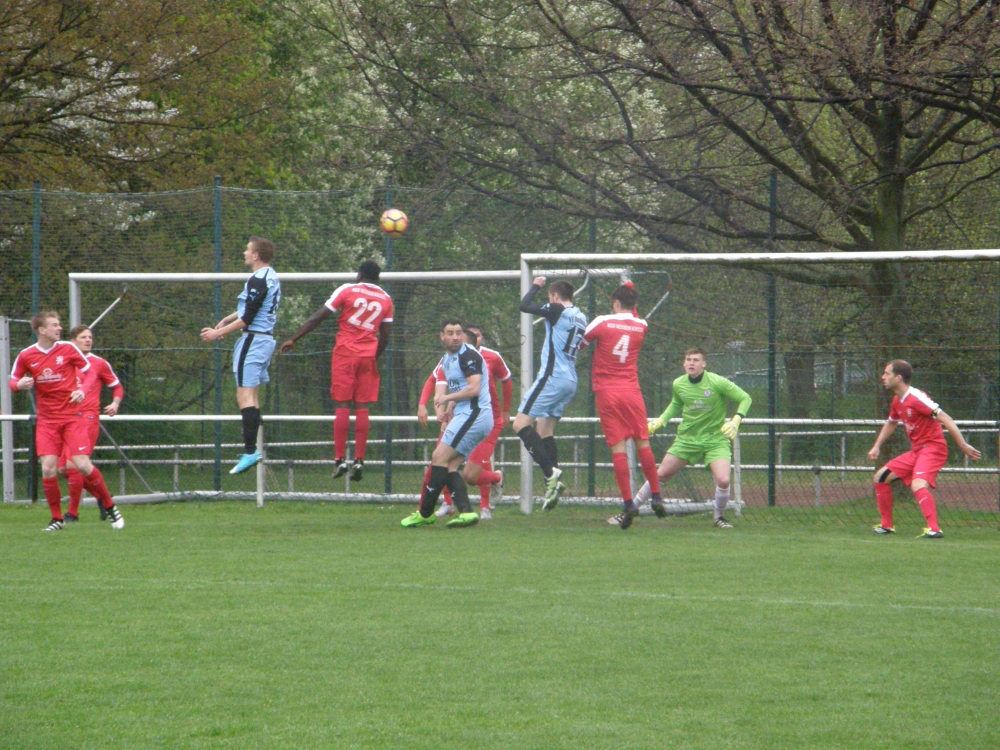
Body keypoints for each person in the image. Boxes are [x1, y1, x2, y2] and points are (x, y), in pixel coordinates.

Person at [8, 311, 125, 531]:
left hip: (73, 417)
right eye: (54, 325)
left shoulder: (68, 349)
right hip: (47, 421)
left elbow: (90, 373)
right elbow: (12, 381)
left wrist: (82, 390)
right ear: (42, 330)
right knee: (49, 469)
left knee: (80, 464)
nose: (59, 328)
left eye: (59, 324)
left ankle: (110, 506)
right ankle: (57, 519)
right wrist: (18, 385)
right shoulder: (26, 355)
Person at [279, 261, 392, 481]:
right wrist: (373, 356)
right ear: (378, 278)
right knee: (362, 407)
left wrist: (294, 338)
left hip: (345, 354)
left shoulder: (347, 290)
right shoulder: (386, 299)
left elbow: (318, 317)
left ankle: (339, 459)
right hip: (367, 356)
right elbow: (386, 335)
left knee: (342, 405)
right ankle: (359, 460)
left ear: (360, 274)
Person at [632, 348, 752, 529]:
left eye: (696, 360)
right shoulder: (678, 384)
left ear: (703, 364)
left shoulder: (717, 382)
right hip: (687, 439)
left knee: (723, 480)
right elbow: (676, 403)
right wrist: (661, 421)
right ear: (684, 363)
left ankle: (718, 517)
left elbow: (745, 398)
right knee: (661, 474)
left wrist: (736, 421)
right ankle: (630, 509)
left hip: (715, 440)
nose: (691, 363)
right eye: (688, 359)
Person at [580, 283, 664, 529]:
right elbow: (632, 316)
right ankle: (656, 495)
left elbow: (579, 344)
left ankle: (628, 503)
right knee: (642, 442)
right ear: (634, 304)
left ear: (615, 303)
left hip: (607, 392)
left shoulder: (602, 322)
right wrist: (629, 288)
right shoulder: (642, 326)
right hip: (632, 391)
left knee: (618, 449)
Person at [868, 359, 980, 538]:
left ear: (898, 378)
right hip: (917, 451)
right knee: (880, 477)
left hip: (933, 448)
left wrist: (963, 445)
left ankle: (934, 529)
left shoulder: (917, 398)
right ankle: (886, 526)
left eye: (887, 373)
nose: (883, 377)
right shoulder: (897, 401)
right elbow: (891, 422)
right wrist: (877, 446)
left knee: (918, 484)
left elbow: (946, 418)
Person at [401, 320, 493, 528]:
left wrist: (447, 398)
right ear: (442, 336)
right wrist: (451, 406)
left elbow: (474, 389)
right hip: (468, 414)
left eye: (458, 333)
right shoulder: (447, 359)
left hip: (475, 414)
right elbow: (459, 387)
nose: (455, 337)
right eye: (450, 333)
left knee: (438, 457)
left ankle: (425, 513)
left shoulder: (469, 356)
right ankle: (467, 513)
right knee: (450, 465)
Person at [200, 236, 281, 475]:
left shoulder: (258, 279)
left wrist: (217, 333)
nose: (244, 253)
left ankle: (250, 451)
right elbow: (252, 308)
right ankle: (252, 450)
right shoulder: (271, 276)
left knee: (244, 396)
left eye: (247, 250)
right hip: (264, 340)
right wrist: (227, 319)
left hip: (253, 340)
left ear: (256, 255)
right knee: (252, 396)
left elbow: (248, 318)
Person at [513, 277, 587, 510]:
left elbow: (524, 305)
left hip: (553, 377)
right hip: (570, 379)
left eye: (549, 297)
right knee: (544, 430)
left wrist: (536, 285)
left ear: (554, 296)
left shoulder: (557, 309)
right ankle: (552, 486)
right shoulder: (581, 316)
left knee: (520, 424)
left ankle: (550, 474)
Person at [433, 325, 512, 520]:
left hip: (488, 420)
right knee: (444, 460)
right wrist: (442, 409)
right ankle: (447, 503)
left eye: (478, 335)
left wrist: (506, 411)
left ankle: (485, 505)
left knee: (470, 474)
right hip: (463, 418)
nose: (458, 340)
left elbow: (506, 381)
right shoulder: (451, 359)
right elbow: (438, 382)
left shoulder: (491, 357)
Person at [58, 326, 124, 522]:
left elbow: (117, 387)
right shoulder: (64, 362)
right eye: (83, 337)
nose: (88, 340)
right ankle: (103, 497)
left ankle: (72, 513)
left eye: (90, 337)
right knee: (62, 469)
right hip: (66, 418)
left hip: (87, 418)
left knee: (73, 465)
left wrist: (115, 403)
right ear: (73, 341)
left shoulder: (99, 363)